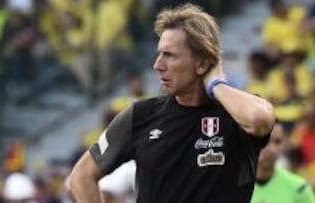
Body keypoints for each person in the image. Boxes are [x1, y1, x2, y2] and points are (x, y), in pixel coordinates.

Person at [69, 3, 275, 203]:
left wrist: (215, 84)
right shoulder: (140, 115)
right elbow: (82, 176)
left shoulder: (236, 115)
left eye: (169, 55)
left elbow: (259, 119)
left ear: (202, 63)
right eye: (160, 53)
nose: (157, 65)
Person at [251, 123, 315, 203]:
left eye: (277, 142)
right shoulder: (234, 187)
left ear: (285, 144)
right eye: (264, 141)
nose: (272, 149)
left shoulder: (299, 188)